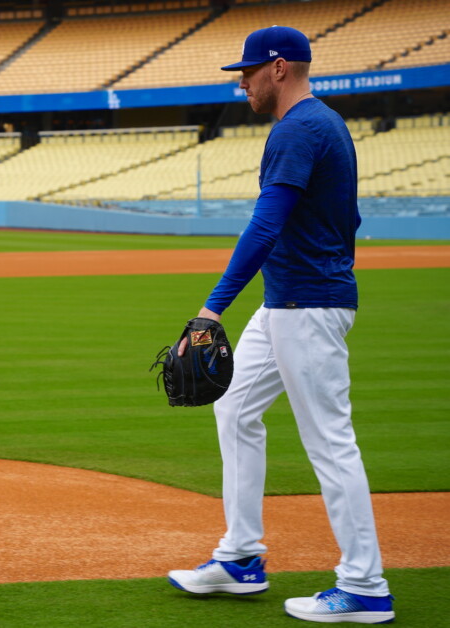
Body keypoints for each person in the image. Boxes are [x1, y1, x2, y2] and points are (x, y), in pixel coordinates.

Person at [166, 26, 394, 624]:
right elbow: (352, 215)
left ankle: (366, 586)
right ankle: (240, 559)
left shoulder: (300, 129)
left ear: (279, 69)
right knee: (234, 409)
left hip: (308, 307)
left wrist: (211, 309)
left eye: (246, 72)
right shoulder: (324, 125)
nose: (240, 82)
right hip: (287, 303)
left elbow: (264, 226)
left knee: (329, 443)